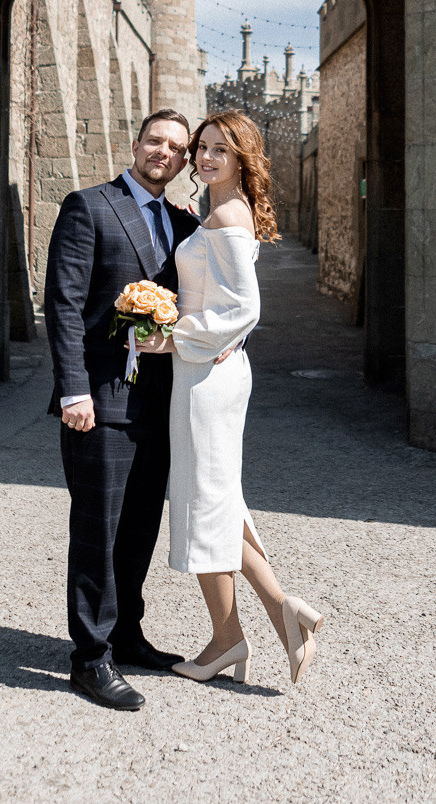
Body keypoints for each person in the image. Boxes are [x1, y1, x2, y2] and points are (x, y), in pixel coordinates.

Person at [137, 109, 324, 687]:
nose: (206, 157)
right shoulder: (216, 211)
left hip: (205, 376)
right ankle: (266, 620)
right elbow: (228, 300)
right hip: (211, 370)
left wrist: (174, 337)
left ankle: (242, 633)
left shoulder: (227, 212)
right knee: (218, 501)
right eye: (204, 148)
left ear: (243, 159)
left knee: (204, 506)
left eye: (221, 149)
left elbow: (246, 306)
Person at [44, 108, 199, 711]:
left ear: (184, 161)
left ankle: (127, 634)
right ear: (135, 144)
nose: (164, 152)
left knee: (138, 529)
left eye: (176, 147)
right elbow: (64, 304)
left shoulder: (187, 225)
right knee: (97, 532)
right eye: (155, 141)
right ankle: (91, 658)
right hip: (101, 401)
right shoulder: (89, 207)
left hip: (162, 403)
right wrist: (73, 390)